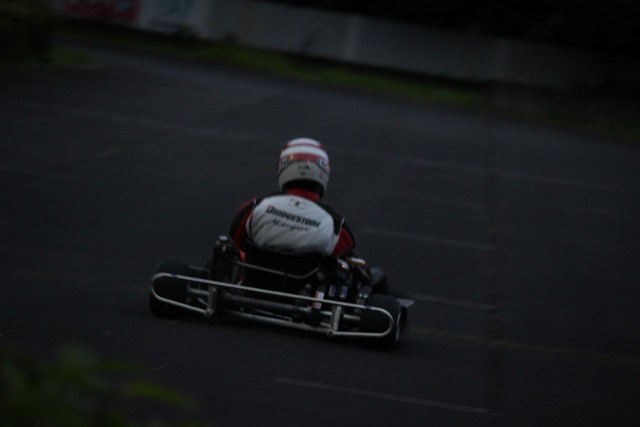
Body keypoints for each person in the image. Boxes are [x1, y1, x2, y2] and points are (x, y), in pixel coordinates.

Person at [229, 137, 355, 259]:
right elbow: (344, 255)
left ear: (283, 167)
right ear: (323, 171)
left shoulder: (255, 208)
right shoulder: (335, 226)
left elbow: (236, 244)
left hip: (255, 273)